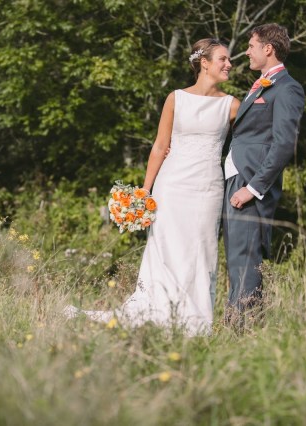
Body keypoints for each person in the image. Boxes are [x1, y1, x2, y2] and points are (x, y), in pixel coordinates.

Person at [65, 39, 240, 336]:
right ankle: (159, 315)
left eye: (229, 59)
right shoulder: (176, 98)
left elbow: (250, 142)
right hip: (171, 186)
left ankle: (195, 323)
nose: (229, 64)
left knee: (201, 249)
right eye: (223, 59)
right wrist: (145, 191)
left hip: (207, 188)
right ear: (204, 63)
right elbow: (160, 145)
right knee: (165, 248)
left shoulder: (232, 105)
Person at [222, 23, 305, 319]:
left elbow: (284, 144)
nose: (246, 52)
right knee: (237, 258)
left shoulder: (287, 88)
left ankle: (243, 327)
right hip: (237, 177)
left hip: (250, 183)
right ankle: (237, 325)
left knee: (246, 258)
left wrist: (253, 188)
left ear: (268, 48)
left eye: (251, 46)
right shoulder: (261, 84)